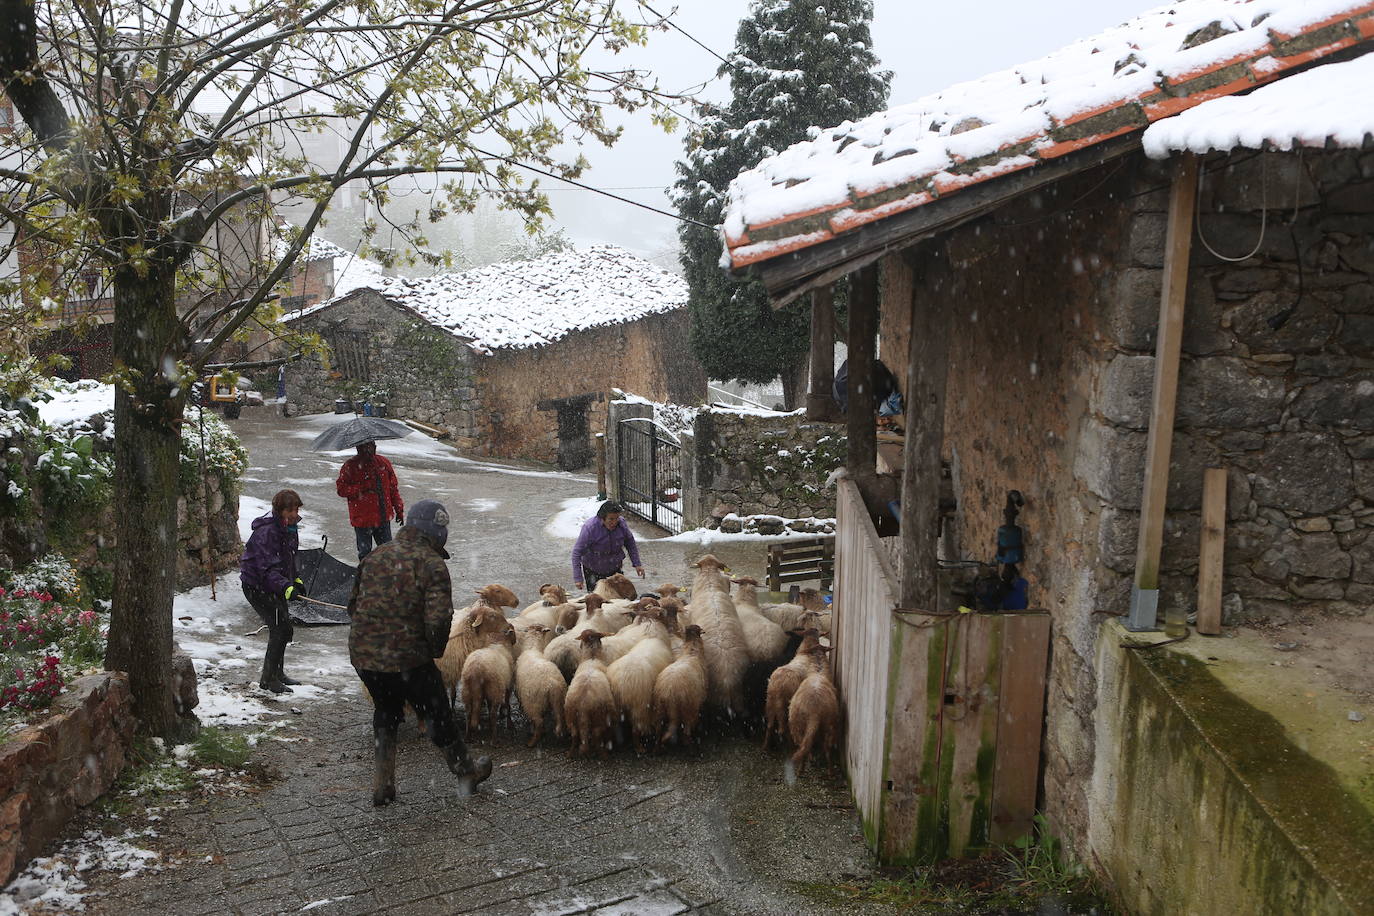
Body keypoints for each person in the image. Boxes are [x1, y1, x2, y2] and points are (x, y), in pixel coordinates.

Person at [347, 499, 493, 806]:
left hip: (365, 657)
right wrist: (432, 653)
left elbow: (351, 606)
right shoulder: (431, 564)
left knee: (386, 711)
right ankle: (465, 771)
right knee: (438, 712)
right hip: (408, 658)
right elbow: (439, 620)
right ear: (436, 531)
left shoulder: (376, 555)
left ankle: (383, 783)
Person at [240, 489, 306, 694]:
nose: (294, 514)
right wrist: (285, 586)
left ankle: (278, 673)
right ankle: (268, 679)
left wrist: (294, 580)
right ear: (279, 510)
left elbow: (288, 558)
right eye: (290, 510)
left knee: (284, 628)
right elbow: (266, 568)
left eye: (296, 509)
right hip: (257, 586)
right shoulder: (266, 532)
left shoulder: (289, 528)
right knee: (280, 629)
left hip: (273, 585)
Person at [335, 440, 404, 560]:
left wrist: (399, 509)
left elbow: (393, 489)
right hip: (362, 521)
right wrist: (363, 487)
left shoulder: (383, 463)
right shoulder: (350, 466)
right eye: (364, 447)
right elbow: (341, 490)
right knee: (365, 554)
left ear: (375, 447)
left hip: (383, 518)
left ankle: (386, 575)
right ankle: (366, 576)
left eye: (371, 446)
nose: (368, 450)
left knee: (387, 554)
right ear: (358, 448)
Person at [571, 500, 645, 592]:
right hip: (593, 569)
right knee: (597, 600)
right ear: (602, 518)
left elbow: (630, 543)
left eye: (616, 518)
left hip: (615, 568)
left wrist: (637, 564)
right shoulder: (590, 528)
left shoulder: (621, 524)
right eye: (611, 519)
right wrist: (578, 578)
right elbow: (577, 552)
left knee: (618, 598)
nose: (614, 522)